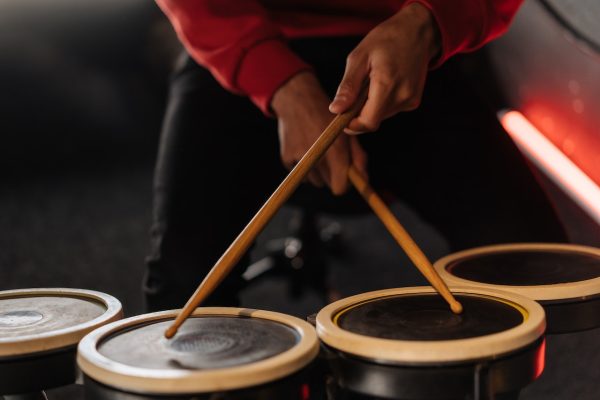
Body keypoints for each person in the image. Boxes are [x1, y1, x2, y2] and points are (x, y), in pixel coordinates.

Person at [144, 0, 566, 312]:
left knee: (534, 272)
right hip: (244, 34)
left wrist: (431, 21)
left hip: (410, 43)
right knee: (182, 293)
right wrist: (280, 83)